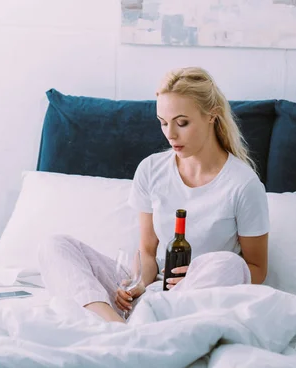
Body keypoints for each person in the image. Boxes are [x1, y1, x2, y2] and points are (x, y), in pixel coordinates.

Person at [38, 67, 269, 323]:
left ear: (211, 116)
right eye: (163, 123)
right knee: (55, 246)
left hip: (197, 297)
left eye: (182, 123)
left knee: (230, 264)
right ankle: (115, 327)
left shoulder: (243, 184)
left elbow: (256, 270)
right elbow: (148, 252)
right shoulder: (151, 169)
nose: (170, 134)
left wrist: (196, 274)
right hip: (150, 291)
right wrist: (138, 284)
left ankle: (149, 324)